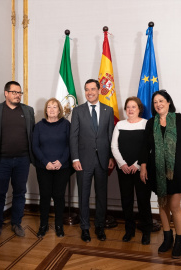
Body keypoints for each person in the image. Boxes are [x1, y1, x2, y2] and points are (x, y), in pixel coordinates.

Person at [140, 90, 181, 259]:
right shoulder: (151, 123)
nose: (158, 104)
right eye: (155, 102)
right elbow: (145, 147)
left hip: (178, 169)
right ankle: (167, 238)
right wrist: (143, 167)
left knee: (174, 206)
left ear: (168, 102)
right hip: (156, 170)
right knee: (162, 204)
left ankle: (179, 240)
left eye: (161, 101)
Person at [0, 81, 35, 239]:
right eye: (14, 92)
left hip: (23, 160)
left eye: (19, 93)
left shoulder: (28, 111)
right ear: (6, 93)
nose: (17, 95)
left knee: (20, 193)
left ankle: (16, 223)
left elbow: (31, 133)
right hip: (1, 161)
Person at [70, 79, 115, 242]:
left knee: (101, 196)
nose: (90, 92)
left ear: (99, 90)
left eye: (93, 89)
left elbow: (111, 136)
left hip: (103, 160)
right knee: (84, 195)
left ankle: (100, 227)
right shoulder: (78, 111)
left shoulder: (108, 110)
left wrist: (111, 156)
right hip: (83, 160)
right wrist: (75, 158)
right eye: (87, 89)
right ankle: (85, 228)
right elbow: (73, 136)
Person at [111, 97, 153, 245]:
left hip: (141, 169)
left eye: (133, 107)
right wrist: (122, 164)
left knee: (143, 201)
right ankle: (129, 230)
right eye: (128, 107)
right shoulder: (120, 125)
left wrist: (137, 164)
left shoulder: (146, 124)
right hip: (123, 170)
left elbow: (148, 147)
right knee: (126, 200)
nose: (130, 110)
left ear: (139, 109)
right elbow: (114, 147)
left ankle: (146, 231)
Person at [32, 98, 70, 238]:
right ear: (46, 110)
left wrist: (60, 161)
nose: (52, 109)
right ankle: (43, 225)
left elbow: (69, 145)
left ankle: (59, 225)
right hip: (43, 167)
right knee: (45, 196)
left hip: (63, 166)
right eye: (49, 107)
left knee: (59, 196)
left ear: (59, 110)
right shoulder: (38, 126)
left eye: (55, 107)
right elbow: (35, 146)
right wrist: (45, 162)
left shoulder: (66, 125)